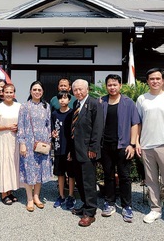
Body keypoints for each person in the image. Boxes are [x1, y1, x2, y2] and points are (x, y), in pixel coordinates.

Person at [136, 68, 164, 231]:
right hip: (147, 145)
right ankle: (155, 209)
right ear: (147, 81)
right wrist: (137, 142)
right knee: (151, 180)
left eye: (157, 78)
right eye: (151, 79)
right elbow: (138, 122)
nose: (154, 81)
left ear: (162, 80)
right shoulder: (142, 99)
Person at [100, 74, 140, 222]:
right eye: (109, 85)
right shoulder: (102, 101)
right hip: (105, 145)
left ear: (120, 85)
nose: (112, 87)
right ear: (106, 86)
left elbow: (135, 123)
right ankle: (109, 203)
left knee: (125, 176)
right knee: (108, 175)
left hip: (123, 145)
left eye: (115, 84)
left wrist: (132, 144)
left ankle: (126, 206)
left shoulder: (128, 103)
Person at [70, 79, 103, 227]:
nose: (78, 92)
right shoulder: (76, 104)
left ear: (87, 89)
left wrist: (93, 149)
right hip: (76, 150)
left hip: (88, 151)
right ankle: (85, 204)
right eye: (75, 90)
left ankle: (90, 213)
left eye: (80, 89)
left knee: (89, 182)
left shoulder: (95, 104)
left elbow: (97, 128)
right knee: (80, 180)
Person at [17, 81, 52, 212]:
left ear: (42, 92)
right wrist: (22, 144)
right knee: (28, 170)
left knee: (40, 171)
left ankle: (37, 197)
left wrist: (48, 141)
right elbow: (21, 126)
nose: (37, 92)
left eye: (39, 89)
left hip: (42, 144)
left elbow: (48, 125)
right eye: (34, 89)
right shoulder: (24, 106)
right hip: (29, 142)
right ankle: (29, 199)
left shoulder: (46, 106)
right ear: (30, 91)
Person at [0, 84, 21, 205]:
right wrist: (7, 127)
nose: (8, 94)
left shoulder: (19, 106)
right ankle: (3, 193)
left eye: (11, 92)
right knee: (4, 164)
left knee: (13, 164)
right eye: (6, 92)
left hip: (15, 140)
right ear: (3, 93)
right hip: (3, 139)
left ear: (14, 93)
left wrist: (18, 127)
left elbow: (23, 122)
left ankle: (10, 191)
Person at [51, 91, 76, 210]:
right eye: (60, 98)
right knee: (60, 174)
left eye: (65, 98)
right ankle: (61, 195)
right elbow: (52, 128)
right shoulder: (54, 114)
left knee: (71, 174)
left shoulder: (72, 113)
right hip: (58, 148)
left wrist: (72, 150)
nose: (62, 100)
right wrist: (53, 134)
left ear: (69, 100)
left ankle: (71, 196)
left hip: (69, 149)